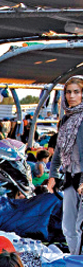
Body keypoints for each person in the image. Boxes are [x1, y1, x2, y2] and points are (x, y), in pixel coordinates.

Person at [48, 75, 83, 254]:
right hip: (70, 176)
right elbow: (59, 150)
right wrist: (53, 174)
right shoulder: (65, 120)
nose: (72, 96)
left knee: (81, 225)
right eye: (68, 92)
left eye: (76, 92)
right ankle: (76, 260)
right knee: (68, 226)